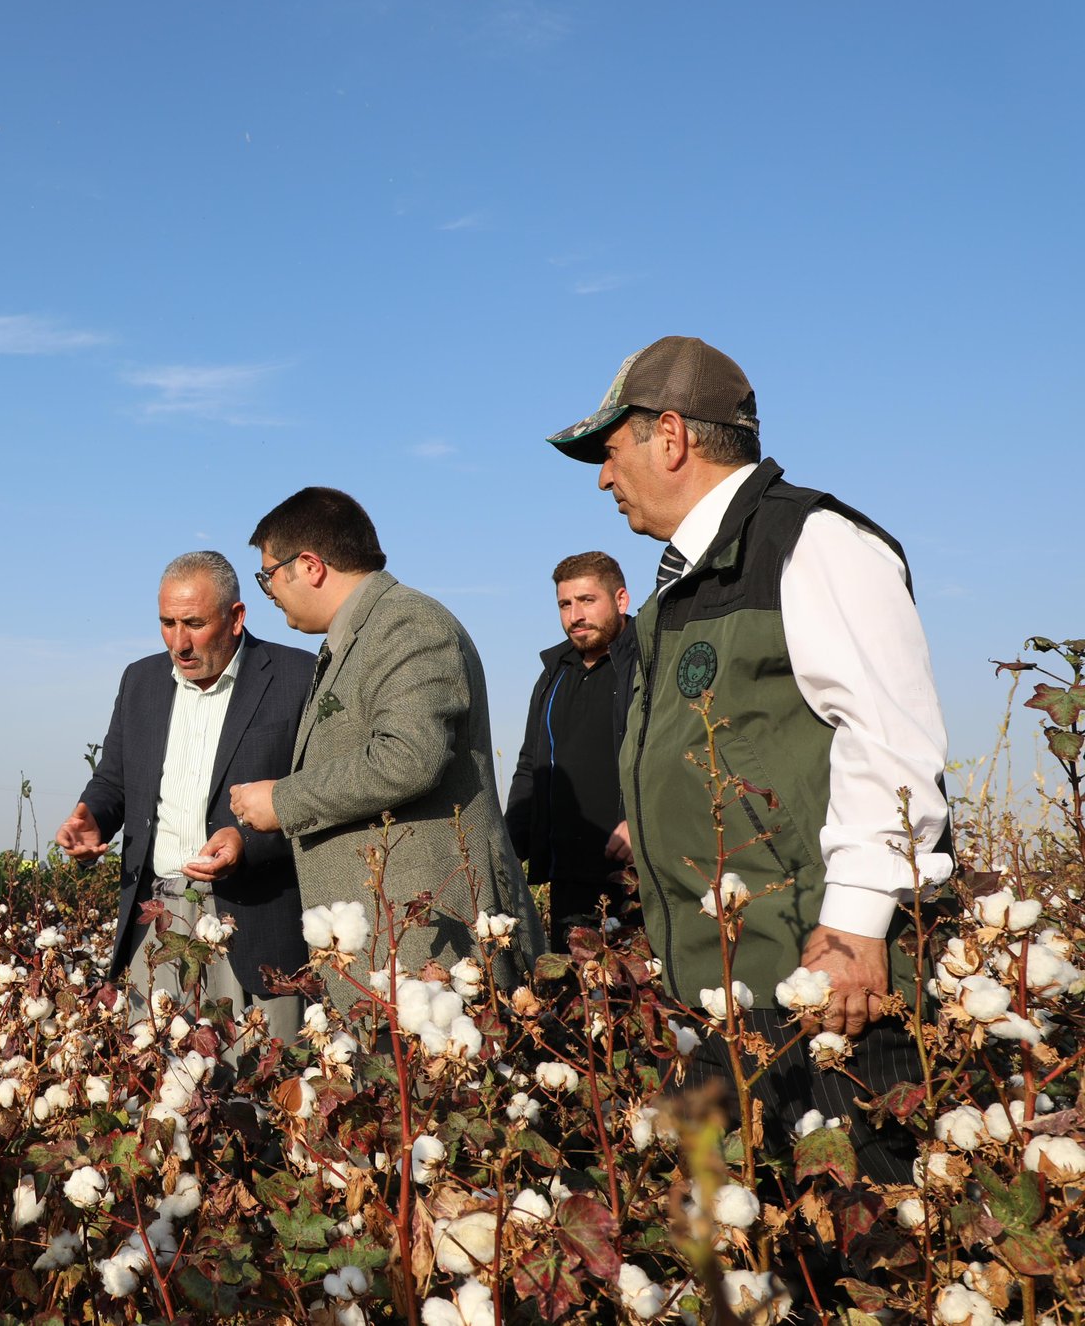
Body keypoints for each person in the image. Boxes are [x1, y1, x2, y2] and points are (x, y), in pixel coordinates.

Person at [547, 334, 952, 1182]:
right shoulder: (675, 589)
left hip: (818, 988)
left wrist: (855, 925)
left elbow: (891, 735)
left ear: (670, 436)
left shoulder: (814, 543)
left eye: (611, 451)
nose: (602, 476)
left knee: (853, 1250)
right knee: (748, 1260)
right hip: (722, 990)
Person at [227, 488, 542, 1009]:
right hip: (393, 942)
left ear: (308, 566)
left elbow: (407, 757)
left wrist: (282, 800)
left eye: (267, 576)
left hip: (429, 945)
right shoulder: (353, 637)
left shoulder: (406, 623)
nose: (269, 591)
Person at [56, 551, 317, 1041]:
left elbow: (321, 798)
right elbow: (114, 780)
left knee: (261, 1091)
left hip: (254, 919)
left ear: (237, 618)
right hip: (154, 918)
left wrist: (249, 843)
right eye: (167, 623)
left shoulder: (298, 677)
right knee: (161, 1088)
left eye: (194, 623)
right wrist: (92, 816)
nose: (180, 641)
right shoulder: (141, 682)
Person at [504, 551, 641, 951]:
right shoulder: (554, 674)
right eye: (565, 604)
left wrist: (642, 820)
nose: (575, 615)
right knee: (571, 1004)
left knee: (637, 1003)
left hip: (633, 875)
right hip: (567, 880)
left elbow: (674, 754)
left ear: (620, 600)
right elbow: (531, 765)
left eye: (587, 600)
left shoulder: (648, 663)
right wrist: (510, 845)